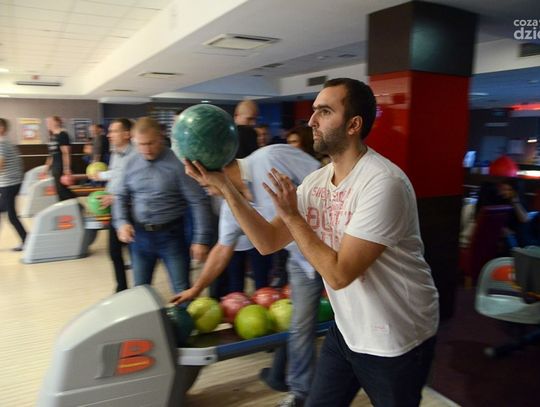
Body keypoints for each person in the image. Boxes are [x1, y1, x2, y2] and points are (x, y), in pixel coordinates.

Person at [184, 78, 439, 407]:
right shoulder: (316, 181)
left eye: (325, 112)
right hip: (347, 329)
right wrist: (225, 188)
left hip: (396, 337)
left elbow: (339, 274)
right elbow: (267, 241)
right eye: (314, 111)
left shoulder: (382, 183)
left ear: (353, 125)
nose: (312, 121)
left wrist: (293, 217)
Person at [173, 144, 322, 407]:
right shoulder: (231, 207)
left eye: (204, 184)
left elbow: (324, 176)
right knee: (300, 327)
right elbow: (223, 248)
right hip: (303, 263)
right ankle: (301, 392)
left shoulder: (271, 157)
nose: (206, 190)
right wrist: (195, 289)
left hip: (340, 248)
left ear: (215, 172)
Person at [114, 117, 213, 294]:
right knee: (140, 292)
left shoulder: (178, 163)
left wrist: (201, 239)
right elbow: (120, 196)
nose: (146, 149)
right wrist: (122, 223)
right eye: (141, 144)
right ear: (134, 141)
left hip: (171, 236)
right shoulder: (130, 163)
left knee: (182, 291)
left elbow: (198, 201)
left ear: (160, 137)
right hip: (140, 237)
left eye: (150, 143)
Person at [91, 118, 135, 292]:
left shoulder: (137, 156)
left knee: (137, 254)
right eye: (109, 131)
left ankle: (139, 289)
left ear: (127, 134)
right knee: (114, 252)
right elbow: (117, 174)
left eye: (114, 131)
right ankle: (121, 288)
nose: (109, 135)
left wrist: (115, 197)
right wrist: (101, 177)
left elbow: (137, 186)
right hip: (117, 212)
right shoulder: (116, 153)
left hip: (132, 211)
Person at [0, 118, 26, 251]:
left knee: (11, 215)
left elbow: (1, 165)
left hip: (8, 184)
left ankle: (26, 240)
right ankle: (26, 239)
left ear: (2, 129)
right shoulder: (8, 143)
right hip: (11, 182)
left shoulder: (2, 144)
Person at [42, 116, 76, 201]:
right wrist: (45, 169)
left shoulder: (63, 134)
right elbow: (51, 155)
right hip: (55, 166)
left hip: (61, 165)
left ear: (57, 122)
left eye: (50, 122)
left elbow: (66, 153)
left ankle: (76, 205)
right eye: (47, 122)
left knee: (61, 189)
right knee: (59, 189)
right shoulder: (52, 136)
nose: (47, 124)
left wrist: (67, 169)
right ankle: (68, 205)